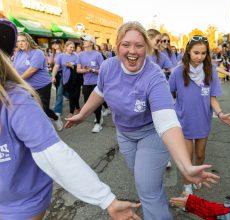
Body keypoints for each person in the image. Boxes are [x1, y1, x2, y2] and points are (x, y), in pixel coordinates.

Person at [65, 21, 220, 220]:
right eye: (126, 44)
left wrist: (185, 165)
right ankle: (159, 199)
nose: (132, 51)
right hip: (125, 135)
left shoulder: (154, 75)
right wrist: (82, 114)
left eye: (139, 45)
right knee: (146, 183)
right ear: (117, 46)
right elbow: (100, 91)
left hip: (151, 134)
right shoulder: (108, 67)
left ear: (146, 48)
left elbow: (167, 121)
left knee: (147, 189)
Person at [0, 18, 141, 220]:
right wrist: (58, 74)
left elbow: (55, 155)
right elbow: (59, 66)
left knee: (74, 103)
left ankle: (97, 120)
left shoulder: (16, 101)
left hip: (18, 206)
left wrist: (105, 199)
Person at [168, 35, 230, 195]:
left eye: (203, 53)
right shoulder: (177, 72)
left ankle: (197, 175)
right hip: (183, 120)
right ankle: (187, 184)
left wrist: (220, 113)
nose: (200, 57)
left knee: (200, 155)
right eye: (196, 53)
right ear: (188, 52)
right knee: (188, 157)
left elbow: (212, 97)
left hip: (202, 121)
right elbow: (169, 94)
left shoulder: (210, 72)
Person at [13, 32, 63, 131]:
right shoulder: (19, 54)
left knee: (43, 109)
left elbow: (32, 70)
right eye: (18, 41)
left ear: (29, 41)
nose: (21, 43)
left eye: (23, 41)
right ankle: (37, 130)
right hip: (27, 87)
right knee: (29, 108)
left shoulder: (37, 52)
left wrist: (18, 80)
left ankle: (56, 118)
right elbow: (14, 68)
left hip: (42, 86)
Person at [77, 34, 104, 133]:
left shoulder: (97, 55)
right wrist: (86, 70)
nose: (83, 42)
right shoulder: (80, 55)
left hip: (96, 82)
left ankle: (98, 123)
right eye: (83, 41)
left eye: (86, 40)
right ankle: (99, 115)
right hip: (86, 83)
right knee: (88, 103)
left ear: (91, 43)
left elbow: (102, 70)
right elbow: (78, 70)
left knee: (95, 103)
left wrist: (92, 70)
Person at [51, 41, 81, 118]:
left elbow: (78, 67)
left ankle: (71, 112)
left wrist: (71, 66)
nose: (72, 49)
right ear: (66, 47)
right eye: (70, 47)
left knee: (71, 95)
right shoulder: (61, 56)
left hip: (75, 79)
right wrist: (53, 76)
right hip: (65, 79)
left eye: (73, 47)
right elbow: (56, 66)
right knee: (71, 95)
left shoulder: (76, 56)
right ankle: (78, 108)